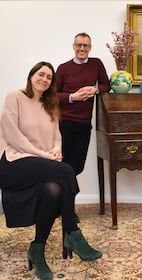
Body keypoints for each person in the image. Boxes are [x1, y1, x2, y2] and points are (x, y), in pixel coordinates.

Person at [0, 62, 102, 280]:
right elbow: (13, 137)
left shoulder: (51, 104)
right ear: (31, 76)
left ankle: (37, 250)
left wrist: (56, 151)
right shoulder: (14, 97)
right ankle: (73, 234)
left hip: (39, 166)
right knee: (66, 172)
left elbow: (57, 137)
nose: (44, 79)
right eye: (41, 74)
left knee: (54, 190)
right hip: (12, 161)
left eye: (49, 77)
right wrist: (47, 156)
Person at [55, 32, 110, 207]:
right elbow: (53, 96)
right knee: (64, 166)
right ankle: (67, 208)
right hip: (64, 123)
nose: (82, 48)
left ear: (90, 48)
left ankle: (64, 206)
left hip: (84, 124)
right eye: (79, 45)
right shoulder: (63, 68)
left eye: (85, 45)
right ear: (73, 47)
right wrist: (73, 97)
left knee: (76, 166)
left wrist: (93, 90)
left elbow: (106, 86)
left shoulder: (96, 64)